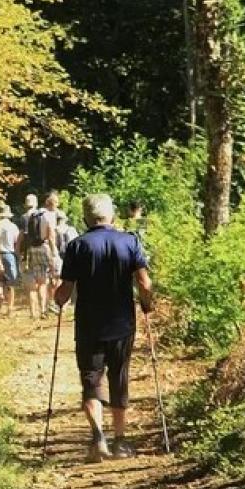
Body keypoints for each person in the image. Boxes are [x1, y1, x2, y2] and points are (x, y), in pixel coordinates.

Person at [54, 194, 154, 464]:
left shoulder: (77, 246)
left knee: (91, 380)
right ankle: (120, 441)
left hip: (89, 325)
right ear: (111, 216)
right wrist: (146, 304)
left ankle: (98, 438)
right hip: (122, 323)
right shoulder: (130, 241)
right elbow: (144, 284)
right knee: (119, 376)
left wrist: (58, 299)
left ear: (86, 218)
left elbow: (64, 291)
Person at [18, 191, 60, 318]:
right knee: (42, 282)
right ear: (51, 204)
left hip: (32, 249)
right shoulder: (49, 216)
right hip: (44, 247)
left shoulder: (33, 215)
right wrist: (54, 254)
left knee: (32, 284)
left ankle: (32, 312)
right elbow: (51, 237)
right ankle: (42, 310)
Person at [0, 203, 20, 316]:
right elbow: (16, 241)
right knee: (10, 282)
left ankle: (0, 294)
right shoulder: (13, 227)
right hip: (9, 254)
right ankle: (10, 308)